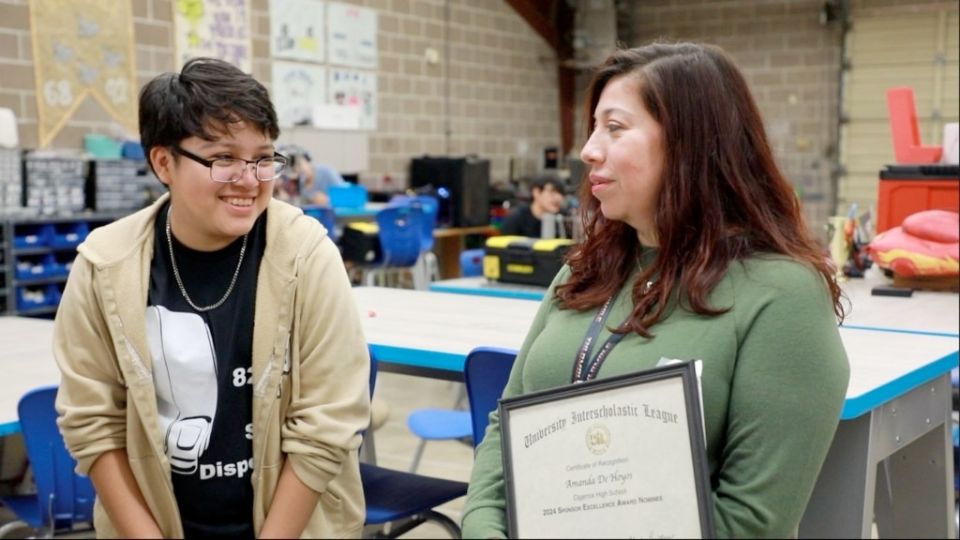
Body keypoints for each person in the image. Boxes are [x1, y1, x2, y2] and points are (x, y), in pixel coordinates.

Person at [462, 42, 850, 538]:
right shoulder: (584, 271)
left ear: (689, 143)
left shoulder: (781, 295)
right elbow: (507, 426)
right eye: (594, 127)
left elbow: (753, 520)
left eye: (615, 127)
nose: (588, 150)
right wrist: (482, 527)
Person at [53, 57, 371, 539]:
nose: (250, 180)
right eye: (223, 159)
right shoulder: (105, 265)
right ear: (164, 163)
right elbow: (94, 423)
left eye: (263, 158)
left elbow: (327, 426)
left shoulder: (307, 256)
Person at [499, 173, 566, 237]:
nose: (558, 197)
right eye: (552, 192)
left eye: (561, 193)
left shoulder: (565, 219)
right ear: (536, 192)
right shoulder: (516, 219)